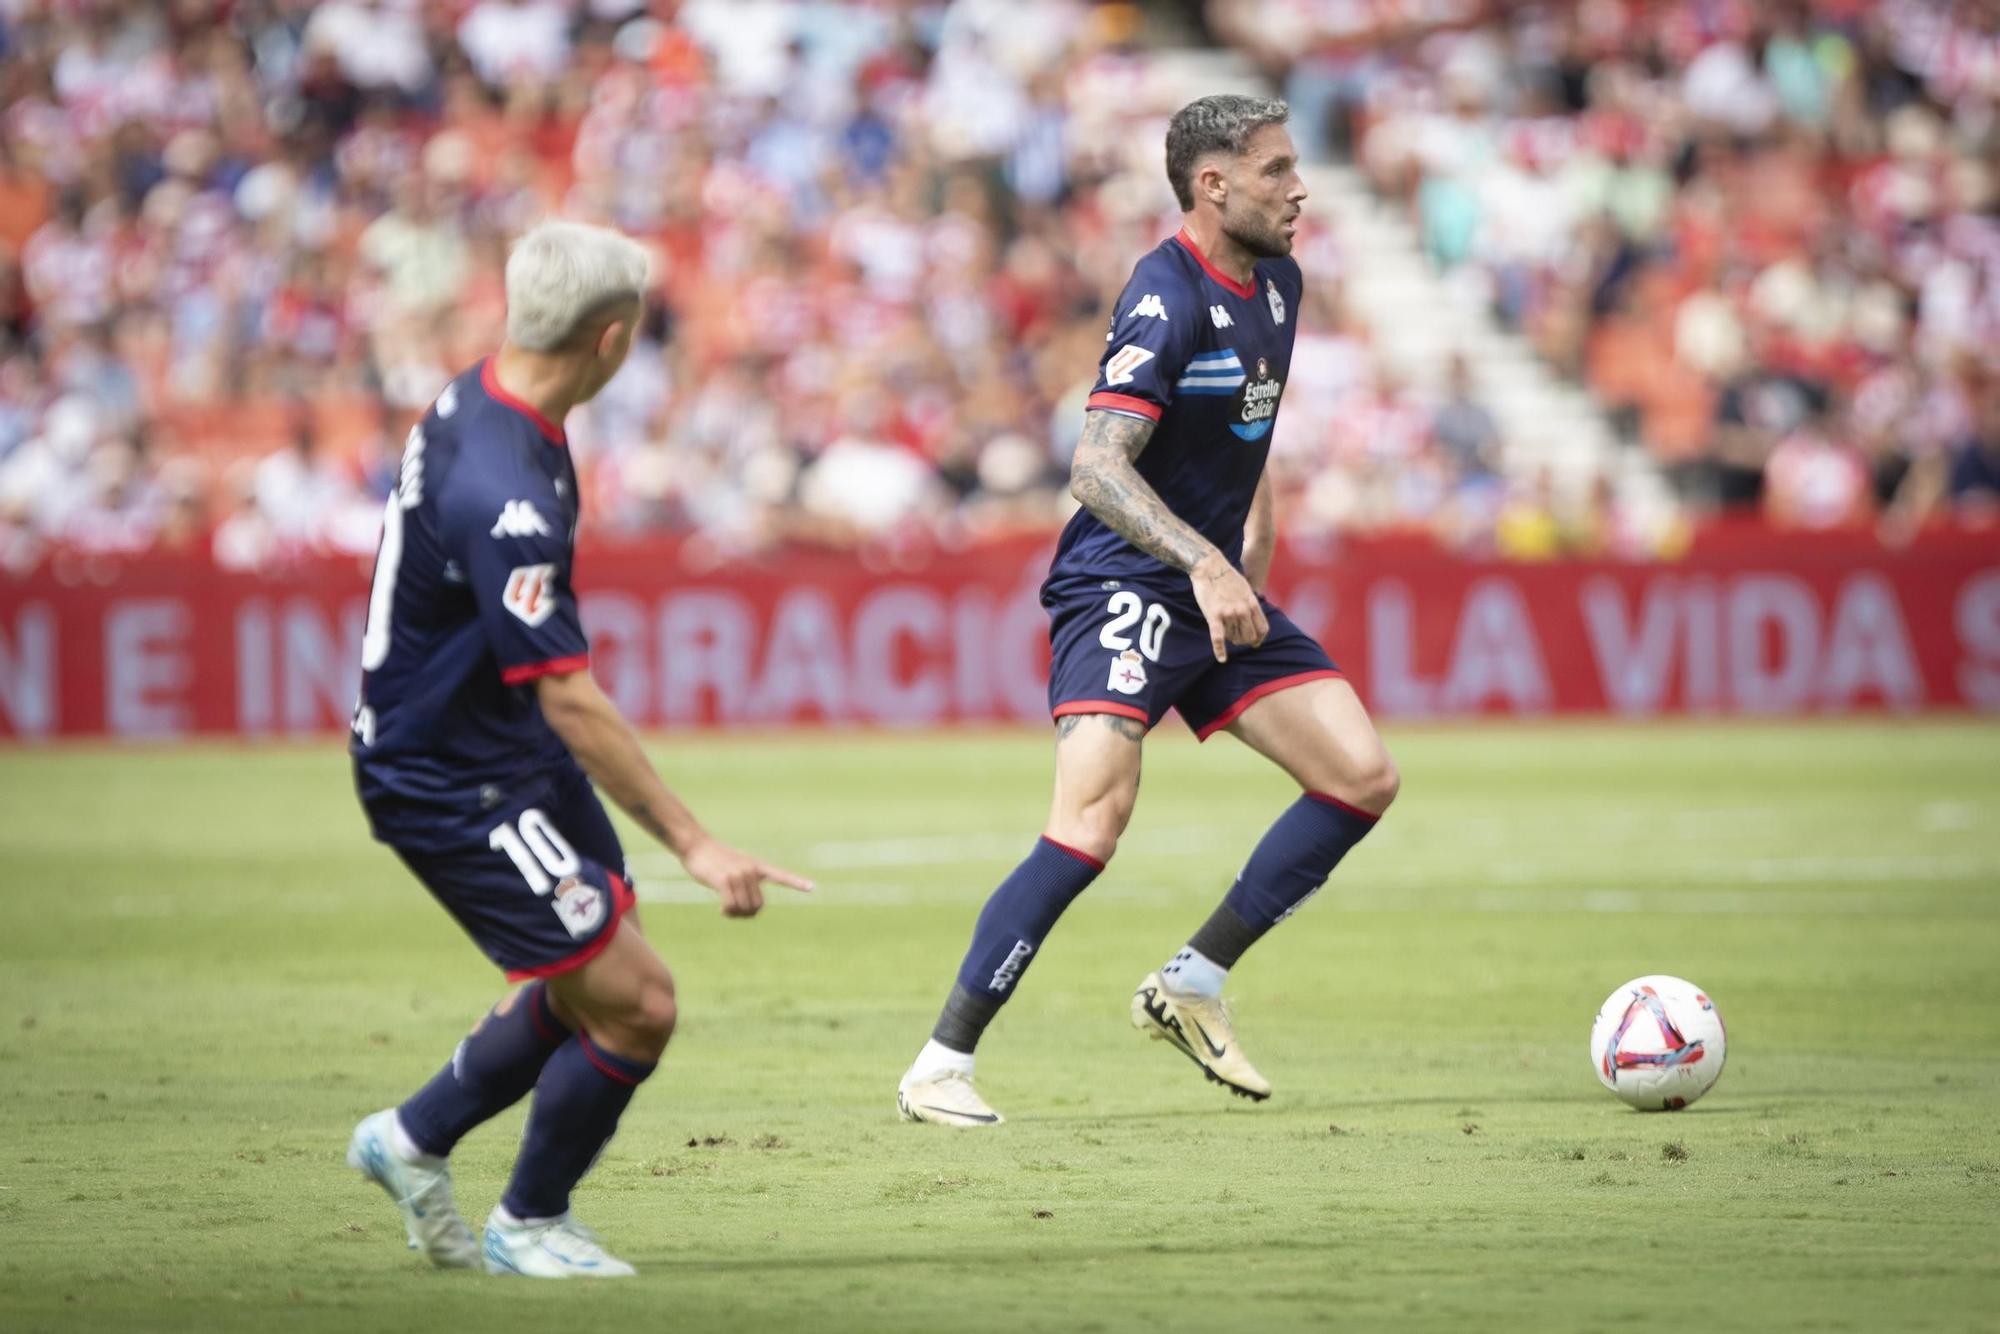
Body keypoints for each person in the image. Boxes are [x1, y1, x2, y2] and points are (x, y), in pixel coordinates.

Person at [895, 95, 1399, 1127]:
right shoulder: (1165, 297)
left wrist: (1245, 552)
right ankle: (938, 1062)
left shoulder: (1279, 284)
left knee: (1359, 777)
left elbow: (1248, 429)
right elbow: (1093, 466)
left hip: (1213, 582)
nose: (1298, 188)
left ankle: (1193, 980)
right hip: (1122, 581)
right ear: (1211, 186)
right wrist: (1202, 563)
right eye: (1273, 171)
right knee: (1089, 821)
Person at [345, 221, 811, 1276]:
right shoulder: (505, 488)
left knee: (586, 968)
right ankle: (530, 1219)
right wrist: (694, 839)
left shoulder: (495, 397)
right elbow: (569, 695)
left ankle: (412, 1138)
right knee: (638, 1001)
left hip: (493, 744)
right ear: (609, 340)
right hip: (450, 776)